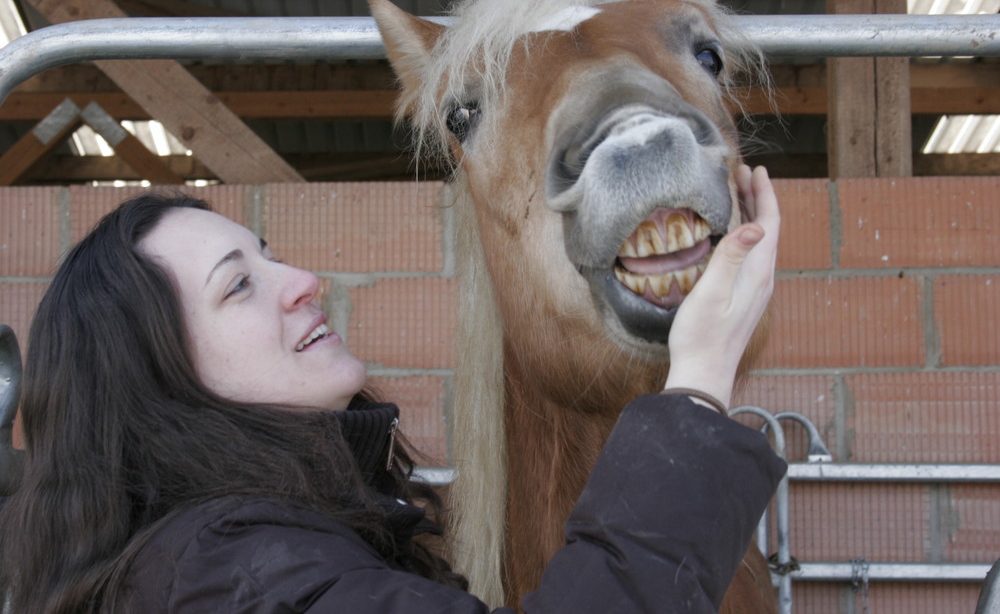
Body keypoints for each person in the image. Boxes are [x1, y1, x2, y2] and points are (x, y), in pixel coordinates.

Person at [0, 164, 784, 613]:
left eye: (268, 255)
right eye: (238, 285)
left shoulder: (249, 547)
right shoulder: (228, 576)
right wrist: (698, 382)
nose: (304, 280)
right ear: (160, 378)